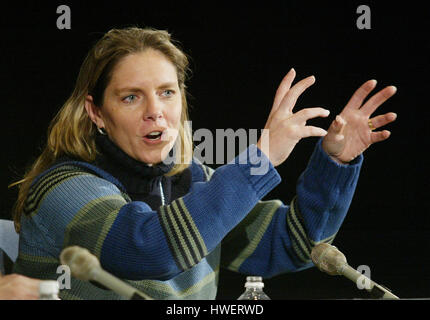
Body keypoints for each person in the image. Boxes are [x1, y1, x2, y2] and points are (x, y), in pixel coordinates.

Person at [10, 27, 397, 299]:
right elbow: (149, 249)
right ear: (96, 112)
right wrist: (260, 159)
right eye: (131, 97)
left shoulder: (192, 179)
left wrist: (335, 162)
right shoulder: (62, 189)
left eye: (166, 93)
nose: (155, 112)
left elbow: (294, 245)